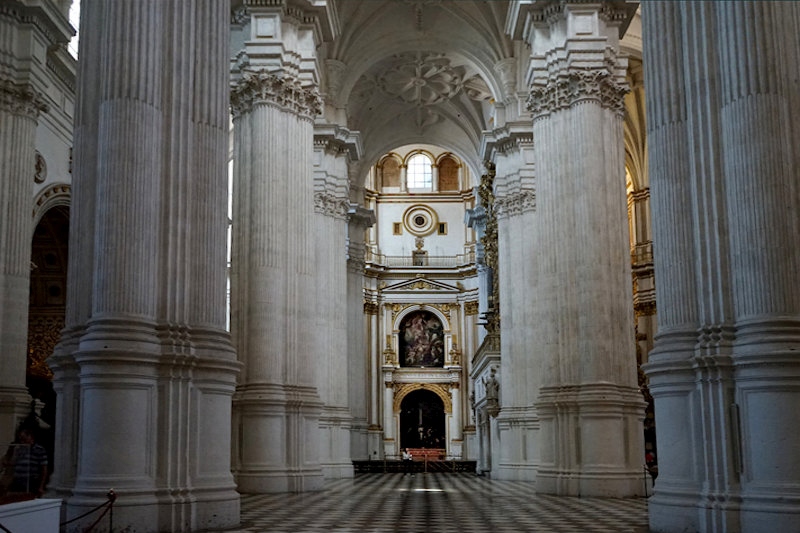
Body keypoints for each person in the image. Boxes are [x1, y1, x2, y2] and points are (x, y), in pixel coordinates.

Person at [6, 428, 48, 497]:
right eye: (21, 439)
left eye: (24, 439)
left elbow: (44, 469)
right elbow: (14, 462)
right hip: (18, 480)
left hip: (30, 481)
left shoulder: (39, 449)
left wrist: (41, 486)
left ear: (30, 436)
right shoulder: (20, 448)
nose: (22, 441)